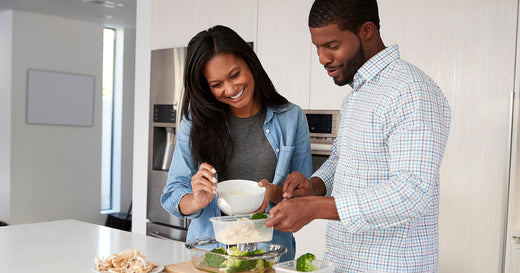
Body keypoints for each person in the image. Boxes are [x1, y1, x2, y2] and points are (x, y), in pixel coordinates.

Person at [265, 0, 451, 272]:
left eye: (332, 45)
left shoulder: (410, 91)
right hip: (345, 262)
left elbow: (412, 192)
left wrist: (315, 207)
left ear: (366, 31)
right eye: (317, 47)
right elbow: (343, 158)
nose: (322, 58)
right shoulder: (357, 96)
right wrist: (314, 186)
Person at [160, 25, 312, 262]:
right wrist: (196, 200)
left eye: (234, 75)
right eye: (216, 84)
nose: (230, 89)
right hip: (211, 258)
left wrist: (273, 192)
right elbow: (172, 195)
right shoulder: (195, 122)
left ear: (250, 63)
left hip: (272, 258)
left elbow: (304, 198)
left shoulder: (291, 118)